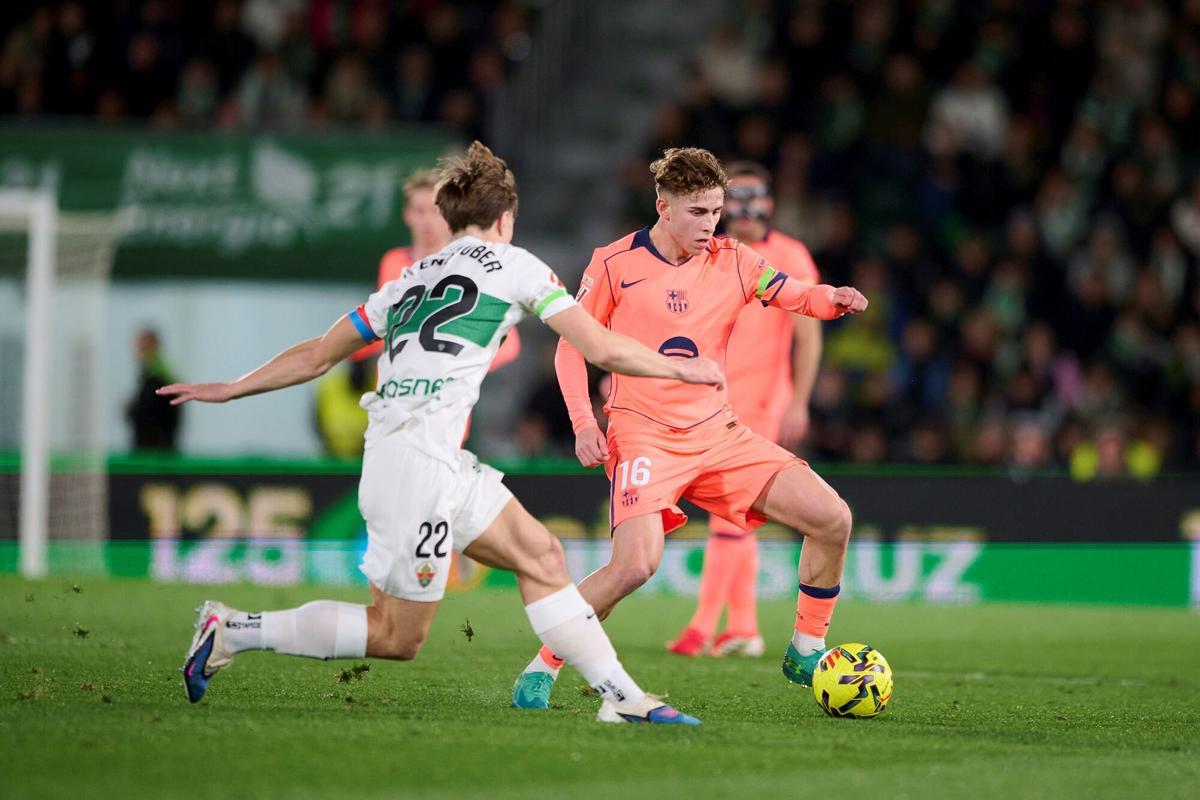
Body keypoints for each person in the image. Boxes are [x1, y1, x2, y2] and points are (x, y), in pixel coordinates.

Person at [163, 142, 726, 725]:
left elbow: (315, 356)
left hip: (425, 457)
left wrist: (233, 386)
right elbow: (601, 346)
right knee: (394, 634)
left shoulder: (407, 280)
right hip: (417, 466)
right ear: (505, 219)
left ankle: (624, 699)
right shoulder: (516, 265)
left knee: (541, 554)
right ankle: (232, 630)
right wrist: (684, 367)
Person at [511, 147, 867, 710]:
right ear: (664, 206)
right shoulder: (613, 263)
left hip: (718, 433)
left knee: (832, 518)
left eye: (716, 212)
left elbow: (796, 295)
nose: (711, 224)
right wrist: (583, 422)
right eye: (698, 212)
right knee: (634, 566)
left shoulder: (736, 260)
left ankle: (806, 646)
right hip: (643, 434)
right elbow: (570, 350)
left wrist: (833, 299)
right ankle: (543, 665)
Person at [666, 161, 823, 658]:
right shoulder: (710, 254)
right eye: (735, 197)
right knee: (734, 517)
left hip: (760, 401)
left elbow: (808, 334)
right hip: (710, 398)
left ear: (771, 203)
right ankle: (744, 628)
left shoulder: (790, 255)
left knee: (726, 519)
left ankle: (702, 626)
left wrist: (798, 400)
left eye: (754, 197)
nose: (744, 209)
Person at [369, 169, 520, 371]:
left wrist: (457, 366)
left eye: (435, 211)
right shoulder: (393, 262)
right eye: (419, 211)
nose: (427, 221)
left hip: (444, 393)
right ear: (407, 214)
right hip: (395, 387)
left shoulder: (471, 266)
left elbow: (509, 345)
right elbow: (387, 324)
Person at [126, 328, 182, 451]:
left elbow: (148, 415)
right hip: (157, 451)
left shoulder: (158, 381)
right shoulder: (158, 377)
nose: (138, 352)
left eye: (143, 347)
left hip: (155, 455)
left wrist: (132, 411)